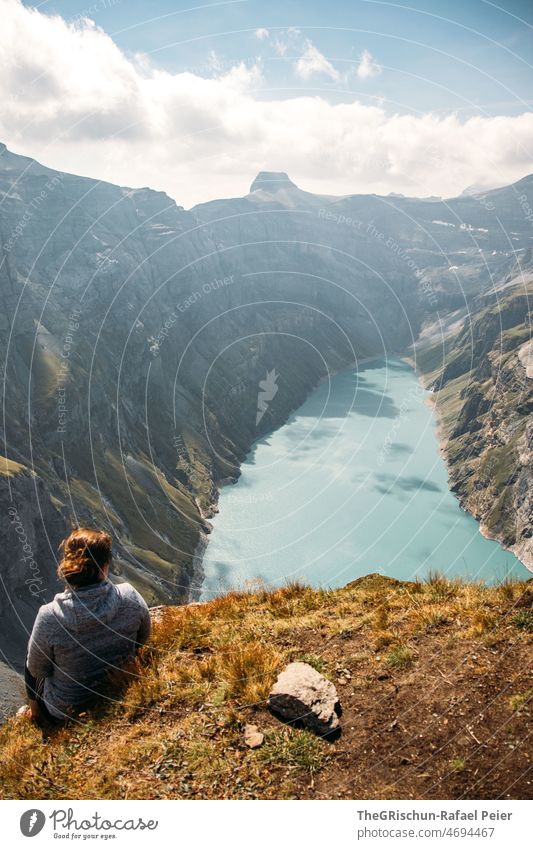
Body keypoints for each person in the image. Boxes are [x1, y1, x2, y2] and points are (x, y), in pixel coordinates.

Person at [23, 527, 151, 723]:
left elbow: (37, 670)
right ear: (105, 566)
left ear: (67, 566)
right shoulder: (130, 596)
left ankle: (34, 714)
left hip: (67, 712)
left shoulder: (50, 616)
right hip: (121, 691)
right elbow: (142, 639)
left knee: (32, 661)